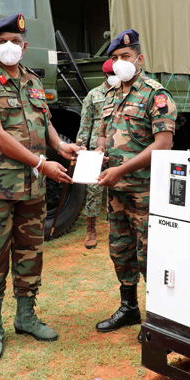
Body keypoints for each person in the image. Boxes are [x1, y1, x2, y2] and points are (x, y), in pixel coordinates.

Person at [0, 13, 81, 362]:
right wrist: (42, 163)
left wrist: (60, 147)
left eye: (15, 41)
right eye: (2, 42)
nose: (9, 47)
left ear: (25, 46)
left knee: (30, 254)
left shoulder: (31, 80)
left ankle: (25, 317)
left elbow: (43, 122)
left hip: (31, 189)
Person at [94, 29, 177, 341]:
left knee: (150, 256)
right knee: (121, 251)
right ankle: (129, 308)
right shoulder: (112, 94)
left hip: (146, 192)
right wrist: (100, 155)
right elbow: (103, 135)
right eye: (115, 58)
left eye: (125, 57)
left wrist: (121, 169)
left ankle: (158, 320)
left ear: (139, 59)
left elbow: (163, 144)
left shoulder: (156, 95)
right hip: (115, 191)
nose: (119, 63)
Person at [75, 59, 117, 249]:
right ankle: (90, 230)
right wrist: (80, 146)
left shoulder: (125, 93)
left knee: (118, 188)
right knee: (94, 189)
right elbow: (85, 124)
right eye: (111, 75)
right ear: (105, 75)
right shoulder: (93, 95)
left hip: (118, 148)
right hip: (95, 149)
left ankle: (116, 228)